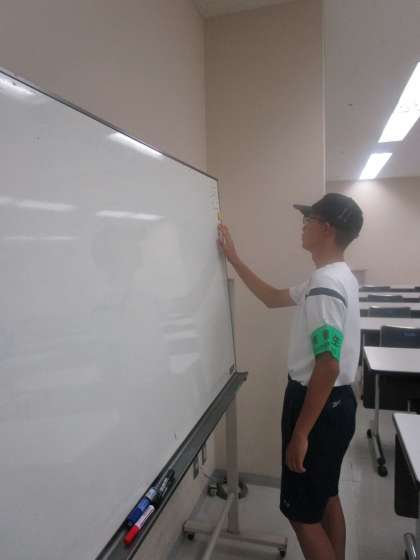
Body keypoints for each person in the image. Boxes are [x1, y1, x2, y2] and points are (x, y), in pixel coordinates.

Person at [217, 193, 363, 560]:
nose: (302, 226)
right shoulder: (335, 278)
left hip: (318, 406)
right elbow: (272, 298)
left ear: (326, 229)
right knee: (327, 495)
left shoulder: (325, 286)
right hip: (337, 404)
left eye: (308, 220)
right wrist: (235, 259)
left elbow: (327, 365)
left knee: (301, 515)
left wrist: (301, 433)